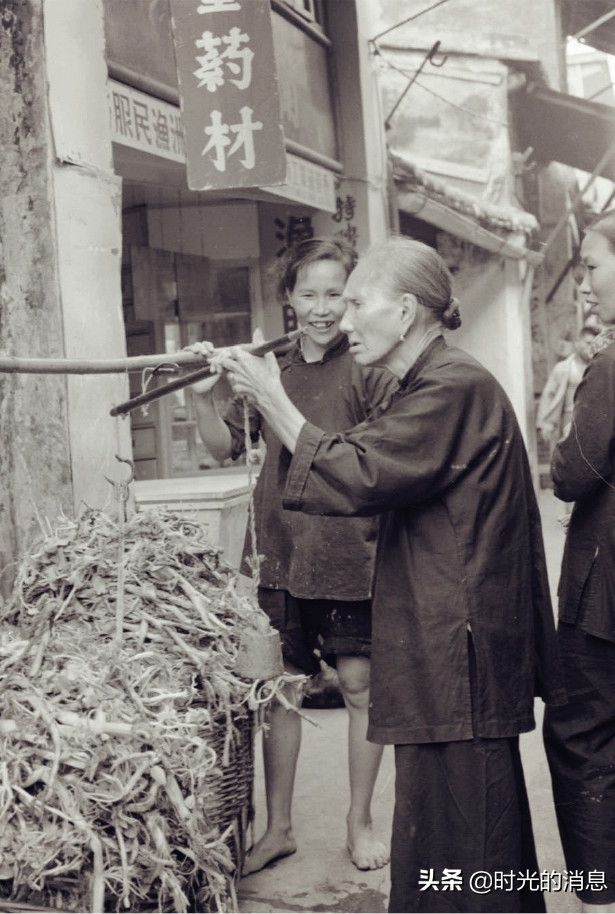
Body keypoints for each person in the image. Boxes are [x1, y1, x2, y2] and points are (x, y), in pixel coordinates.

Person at [217, 236, 564, 912]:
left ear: (405, 312)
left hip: (457, 651)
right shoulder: (425, 383)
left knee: (470, 834)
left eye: (355, 302)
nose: (342, 320)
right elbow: (361, 451)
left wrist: (272, 397)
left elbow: (361, 470)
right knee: (452, 835)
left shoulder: (453, 387)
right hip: (443, 643)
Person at [190, 238, 394, 874]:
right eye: (309, 294)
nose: (323, 308)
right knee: (281, 692)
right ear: (288, 300)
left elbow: (372, 464)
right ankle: (278, 827)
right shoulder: (267, 364)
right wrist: (201, 396)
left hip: (352, 549)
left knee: (360, 687)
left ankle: (358, 822)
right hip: (280, 549)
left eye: (336, 293)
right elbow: (223, 448)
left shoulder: (368, 365)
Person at [543, 207, 615, 913]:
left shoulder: (612, 363)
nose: (585, 286)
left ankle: (602, 895)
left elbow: (571, 474)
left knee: (586, 735)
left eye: (595, 267)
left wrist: (558, 449)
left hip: (611, 589)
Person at [535, 325, 596, 451]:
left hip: (592, 419)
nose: (591, 348)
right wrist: (546, 423)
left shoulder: (598, 367)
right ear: (577, 342)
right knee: (567, 453)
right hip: (568, 418)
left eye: (594, 344)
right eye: (588, 343)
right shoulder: (563, 368)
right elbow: (549, 394)